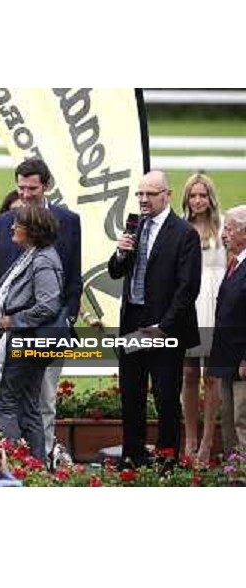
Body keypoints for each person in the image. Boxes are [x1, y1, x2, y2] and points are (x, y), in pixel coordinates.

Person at [0, 157, 82, 464]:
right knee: (28, 405)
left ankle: (19, 464)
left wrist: (60, 319)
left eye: (31, 188)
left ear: (46, 185)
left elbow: (71, 279)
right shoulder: (3, 224)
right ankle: (36, 466)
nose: (25, 194)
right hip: (9, 333)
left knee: (33, 402)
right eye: (20, 187)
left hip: (41, 331)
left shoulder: (66, 223)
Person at [108, 170, 202, 469]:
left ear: (167, 195)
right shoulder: (134, 227)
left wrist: (164, 327)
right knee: (131, 394)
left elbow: (188, 289)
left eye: (149, 194)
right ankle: (132, 455)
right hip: (133, 321)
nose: (143, 200)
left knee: (165, 396)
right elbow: (115, 271)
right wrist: (121, 253)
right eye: (140, 194)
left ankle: (166, 459)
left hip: (164, 327)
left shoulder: (184, 233)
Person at [0, 206, 64, 460]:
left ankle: (14, 465)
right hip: (24, 341)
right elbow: (7, 293)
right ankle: (35, 468)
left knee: (4, 404)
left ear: (33, 230)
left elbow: (48, 304)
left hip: (24, 341)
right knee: (28, 406)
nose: (12, 228)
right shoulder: (32, 255)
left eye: (17, 224)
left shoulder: (42, 259)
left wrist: (15, 320)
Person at [180, 173, 225, 463]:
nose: (198, 200)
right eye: (193, 195)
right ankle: (190, 438)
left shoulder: (222, 230)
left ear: (210, 198)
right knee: (187, 374)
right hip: (188, 303)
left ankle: (208, 442)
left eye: (203, 195)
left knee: (212, 377)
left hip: (216, 303)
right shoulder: (181, 229)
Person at [208, 205, 246, 453]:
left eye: (229, 229)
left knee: (243, 421)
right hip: (227, 358)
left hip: (242, 362)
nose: (223, 234)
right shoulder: (234, 264)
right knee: (229, 421)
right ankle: (235, 476)